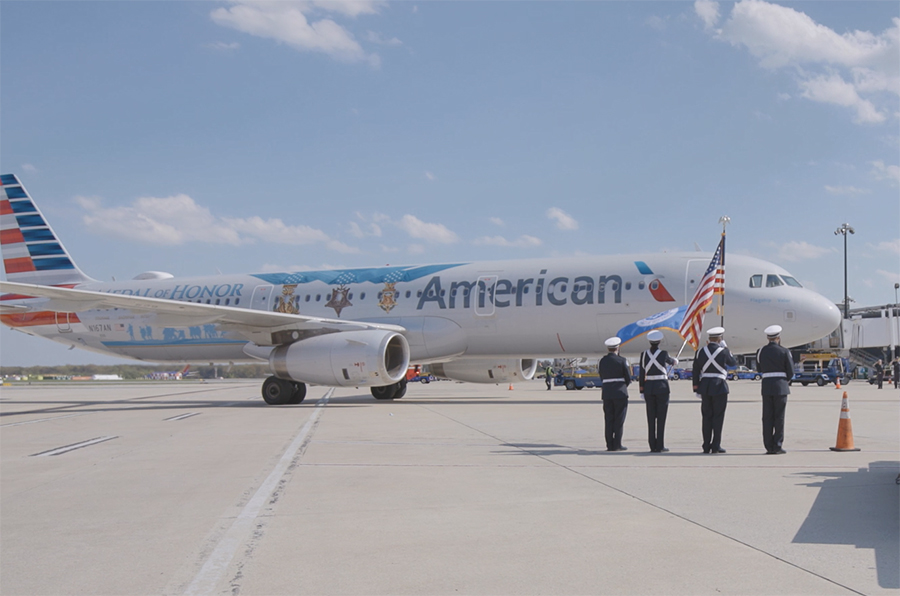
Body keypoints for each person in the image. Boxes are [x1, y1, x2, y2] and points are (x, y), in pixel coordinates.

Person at [692, 327, 737, 454]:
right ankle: (716, 445)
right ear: (719, 339)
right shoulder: (723, 351)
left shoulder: (700, 352)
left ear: (709, 339)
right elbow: (733, 363)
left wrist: (696, 387)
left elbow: (696, 370)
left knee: (706, 417)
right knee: (718, 417)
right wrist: (727, 349)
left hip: (705, 386)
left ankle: (706, 445)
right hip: (719, 386)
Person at [756, 325, 794, 454]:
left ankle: (768, 446)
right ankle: (777, 445)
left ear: (768, 337)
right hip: (781, 386)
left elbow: (759, 369)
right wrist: (785, 380)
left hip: (766, 385)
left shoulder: (760, 351)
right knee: (779, 417)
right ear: (778, 337)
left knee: (767, 417)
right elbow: (791, 371)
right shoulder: (784, 351)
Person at [639, 330, 677, 453]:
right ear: (659, 341)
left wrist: (641, 389)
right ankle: (660, 445)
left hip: (649, 387)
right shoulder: (663, 353)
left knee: (650, 418)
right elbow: (671, 362)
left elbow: (641, 373)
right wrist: (675, 361)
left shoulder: (644, 354)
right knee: (661, 418)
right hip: (661, 387)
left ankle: (652, 445)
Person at [599, 336, 631, 451]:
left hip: (607, 393)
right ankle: (617, 444)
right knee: (619, 419)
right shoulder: (622, 360)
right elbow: (628, 377)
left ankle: (609, 445)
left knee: (608, 419)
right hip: (620, 392)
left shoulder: (602, 361)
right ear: (617, 348)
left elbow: (601, 376)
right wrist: (622, 386)